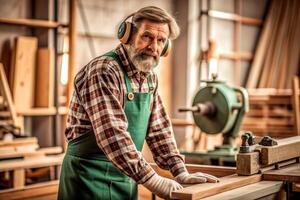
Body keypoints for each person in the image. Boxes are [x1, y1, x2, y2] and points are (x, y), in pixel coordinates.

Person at [58, 6, 219, 200]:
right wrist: (154, 180)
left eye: (161, 41)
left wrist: (180, 172)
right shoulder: (104, 71)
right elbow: (112, 134)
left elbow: (159, 129)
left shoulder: (149, 77)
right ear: (127, 35)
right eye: (147, 37)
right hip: (88, 178)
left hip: (126, 176)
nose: (154, 47)